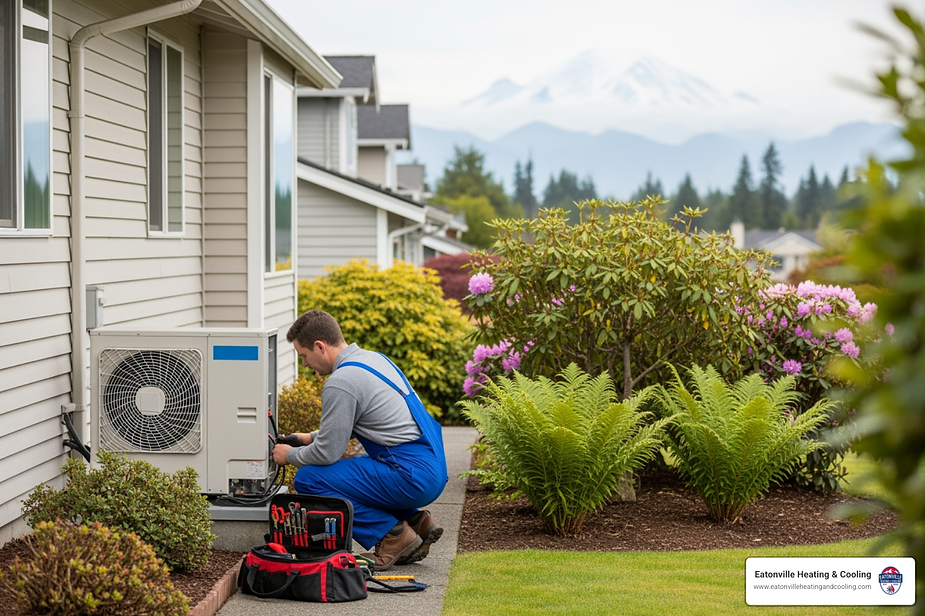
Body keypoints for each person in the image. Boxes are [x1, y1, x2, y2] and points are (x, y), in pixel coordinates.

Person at [273, 309, 448, 570]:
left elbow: (327, 454)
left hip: (411, 475)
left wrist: (287, 455)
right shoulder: (375, 360)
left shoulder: (341, 381)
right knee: (354, 471)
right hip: (431, 467)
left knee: (309, 479)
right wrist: (309, 437)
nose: (305, 364)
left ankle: (393, 535)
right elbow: (369, 420)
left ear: (320, 346)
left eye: (304, 356)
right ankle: (415, 521)